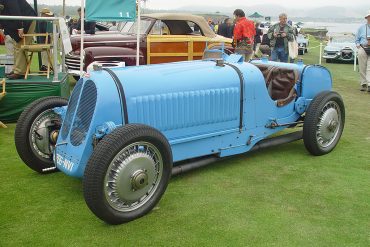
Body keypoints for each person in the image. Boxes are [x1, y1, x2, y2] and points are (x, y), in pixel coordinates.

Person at [0, 0, 37, 80]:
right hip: (18, 21)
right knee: (17, 45)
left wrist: (20, 27)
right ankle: (17, 69)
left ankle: (19, 72)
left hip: (26, 20)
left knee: (20, 45)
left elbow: (15, 10)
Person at [355, 10, 370, 92]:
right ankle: (363, 83)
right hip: (363, 47)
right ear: (366, 18)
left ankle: (369, 84)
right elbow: (357, 39)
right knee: (362, 66)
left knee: (369, 67)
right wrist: (357, 45)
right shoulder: (361, 28)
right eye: (369, 17)